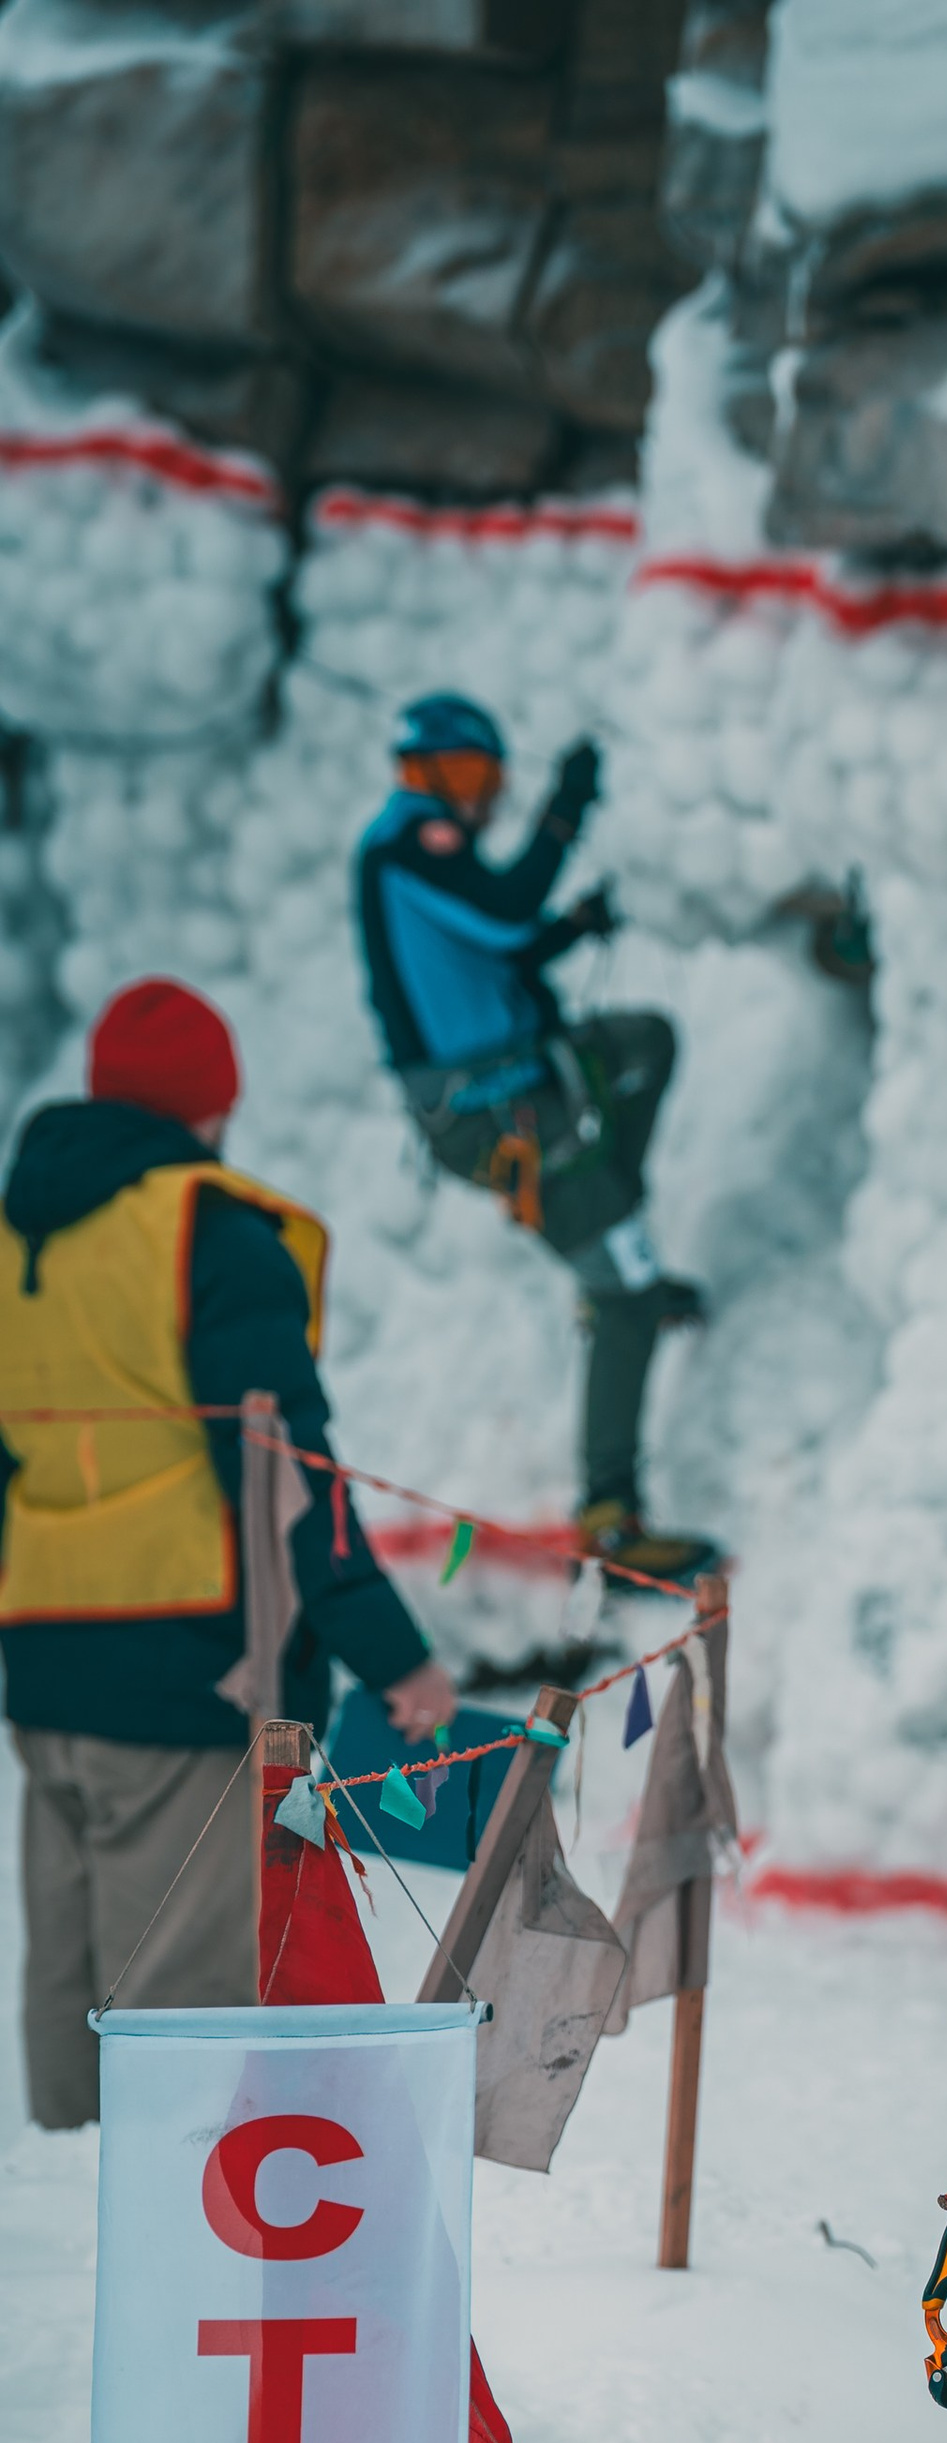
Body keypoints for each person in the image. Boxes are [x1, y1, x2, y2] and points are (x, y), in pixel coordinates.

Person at [0, 977, 455, 2128]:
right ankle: (164, 2270)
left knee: (70, 1983)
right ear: (212, 1106)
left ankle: (72, 2234)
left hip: (43, 1668)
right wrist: (394, 1656)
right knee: (177, 2025)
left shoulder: (21, 1240)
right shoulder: (206, 1233)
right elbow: (288, 1472)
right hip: (188, 1675)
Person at [354, 691, 715, 1581]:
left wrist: (574, 929)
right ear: (430, 771)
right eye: (471, 776)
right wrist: (565, 807)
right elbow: (509, 915)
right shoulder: (409, 848)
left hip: (525, 1076)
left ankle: (610, 1227)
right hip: (493, 1116)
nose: (482, 797)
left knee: (644, 1043)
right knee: (623, 1292)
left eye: (491, 779)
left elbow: (503, 950)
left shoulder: (426, 854)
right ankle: (611, 1514)